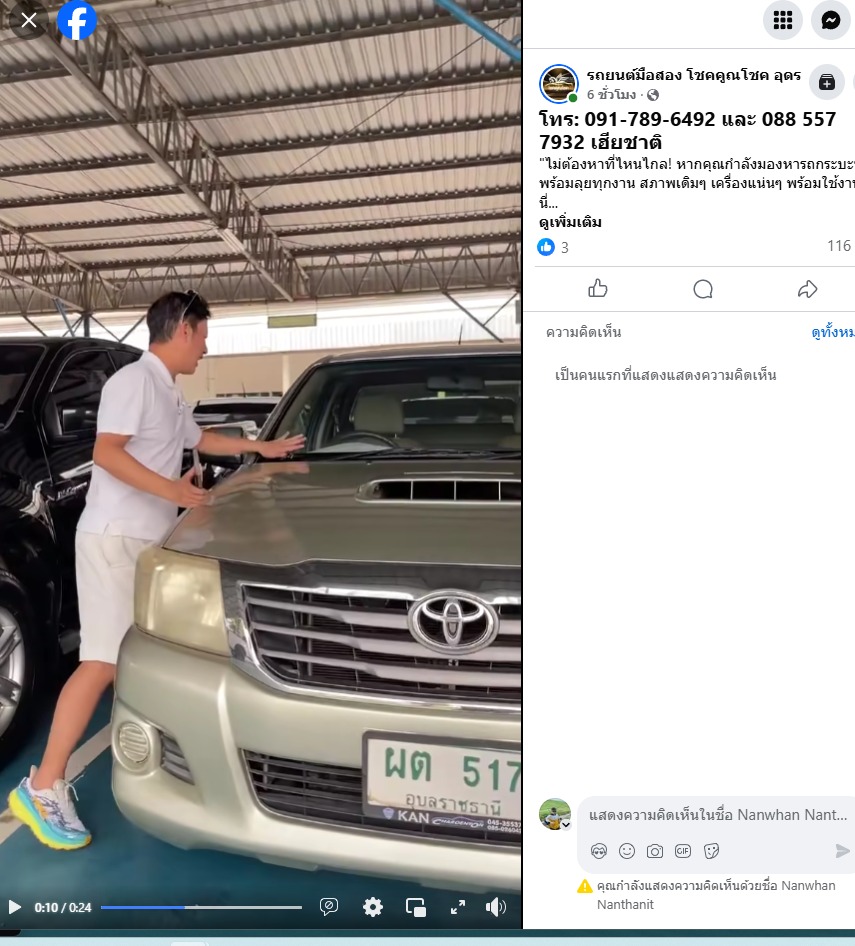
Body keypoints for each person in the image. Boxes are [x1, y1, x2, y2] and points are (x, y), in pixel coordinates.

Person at [7, 291, 305, 850]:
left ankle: (134, 761)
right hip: (115, 538)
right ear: (183, 329)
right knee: (100, 662)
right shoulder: (133, 382)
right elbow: (108, 452)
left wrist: (260, 447)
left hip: (144, 542)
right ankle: (43, 786)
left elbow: (199, 439)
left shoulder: (167, 389)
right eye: (203, 336)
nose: (206, 348)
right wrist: (173, 492)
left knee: (131, 657)